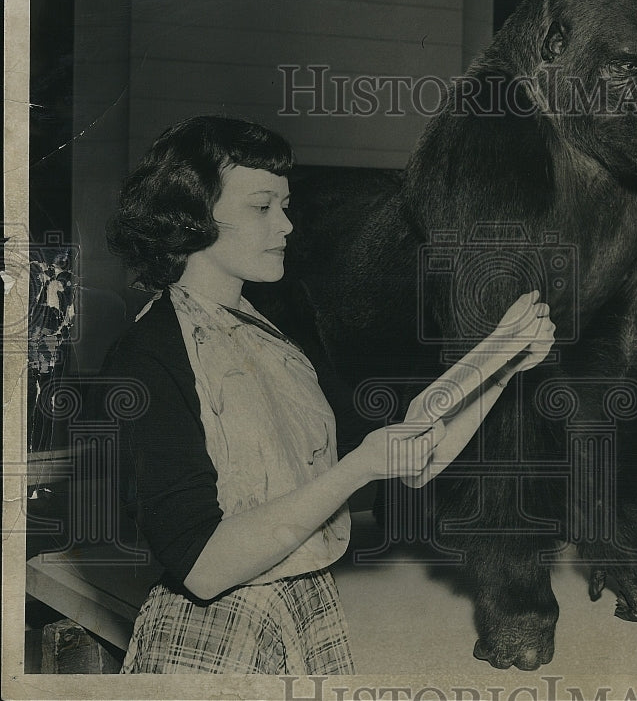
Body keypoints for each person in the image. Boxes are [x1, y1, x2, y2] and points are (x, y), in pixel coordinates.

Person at [103, 115, 555, 674]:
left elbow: (413, 455)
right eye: (262, 207)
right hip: (214, 636)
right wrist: (357, 469)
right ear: (192, 217)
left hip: (306, 609)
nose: (287, 226)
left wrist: (500, 365)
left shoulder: (275, 335)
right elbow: (203, 565)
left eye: (286, 207)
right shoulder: (147, 357)